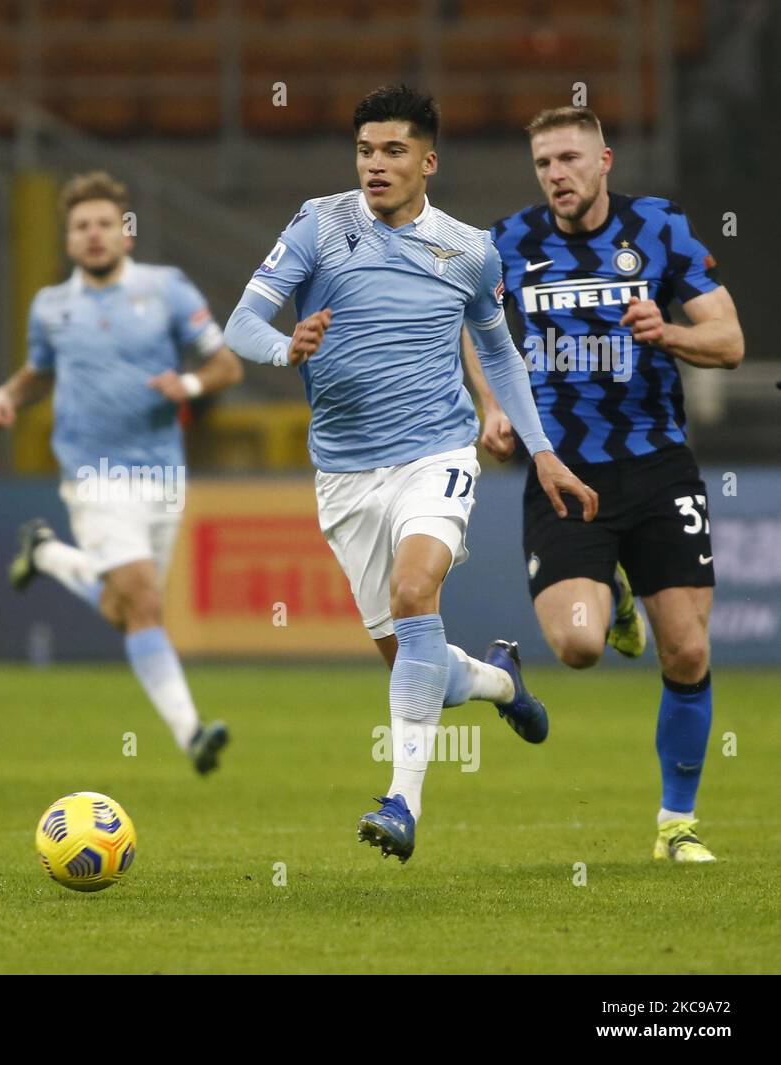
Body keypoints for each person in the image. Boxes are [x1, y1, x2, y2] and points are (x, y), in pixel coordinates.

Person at [224, 85, 598, 863]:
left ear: (428, 160)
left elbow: (496, 351)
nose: (375, 165)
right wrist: (285, 346)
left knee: (413, 590)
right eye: (365, 150)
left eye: (393, 151)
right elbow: (240, 324)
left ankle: (402, 802)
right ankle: (499, 680)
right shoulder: (318, 223)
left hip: (437, 451)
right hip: (345, 475)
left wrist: (543, 451)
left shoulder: (469, 248)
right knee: (419, 666)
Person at [463, 106, 744, 862]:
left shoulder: (660, 230)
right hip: (561, 467)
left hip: (658, 464)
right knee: (581, 645)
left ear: (604, 161)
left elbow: (730, 340)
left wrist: (670, 333)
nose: (556, 175)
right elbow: (470, 319)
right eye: (544, 163)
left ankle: (675, 824)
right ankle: (616, 598)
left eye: (568, 160)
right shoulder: (507, 242)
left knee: (685, 652)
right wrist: (491, 403)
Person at [0, 171, 243, 775]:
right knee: (145, 602)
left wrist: (191, 383)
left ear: (126, 233)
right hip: (93, 476)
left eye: (104, 224)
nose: (94, 235)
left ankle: (46, 554)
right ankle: (192, 734)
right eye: (81, 227)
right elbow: (40, 371)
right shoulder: (51, 307)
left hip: (162, 476)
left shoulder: (168, 290)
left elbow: (227, 366)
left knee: (123, 610)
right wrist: (8, 394)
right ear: (68, 241)